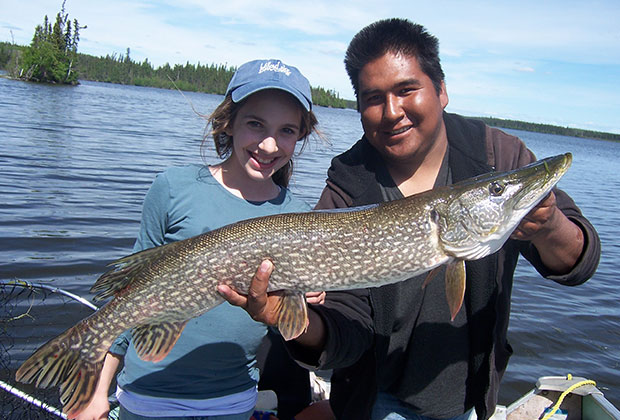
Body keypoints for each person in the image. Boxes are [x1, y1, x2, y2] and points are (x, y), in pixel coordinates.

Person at [218, 18, 602, 420]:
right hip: (374, 397)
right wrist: (283, 315)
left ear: (441, 90)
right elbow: (344, 331)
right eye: (373, 97)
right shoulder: (347, 186)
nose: (392, 112)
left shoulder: (496, 156)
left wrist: (550, 225)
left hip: (467, 393)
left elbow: (578, 265)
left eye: (406, 90)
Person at [72, 58, 322, 420]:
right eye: (255, 124)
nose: (269, 145)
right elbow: (128, 300)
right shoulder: (175, 189)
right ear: (228, 122)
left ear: (300, 136)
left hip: (233, 400)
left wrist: (306, 296)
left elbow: (289, 319)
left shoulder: (300, 216)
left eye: (286, 130)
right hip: (148, 396)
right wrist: (97, 391)